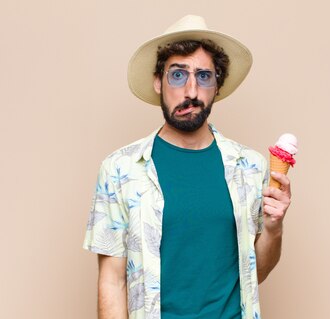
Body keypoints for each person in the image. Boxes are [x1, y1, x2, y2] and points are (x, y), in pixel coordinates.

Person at [83, 15, 291, 319]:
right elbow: (112, 282)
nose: (191, 91)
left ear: (217, 86)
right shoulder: (120, 169)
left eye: (204, 76)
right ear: (158, 81)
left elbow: (254, 274)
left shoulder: (249, 167)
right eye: (177, 75)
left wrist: (274, 229)